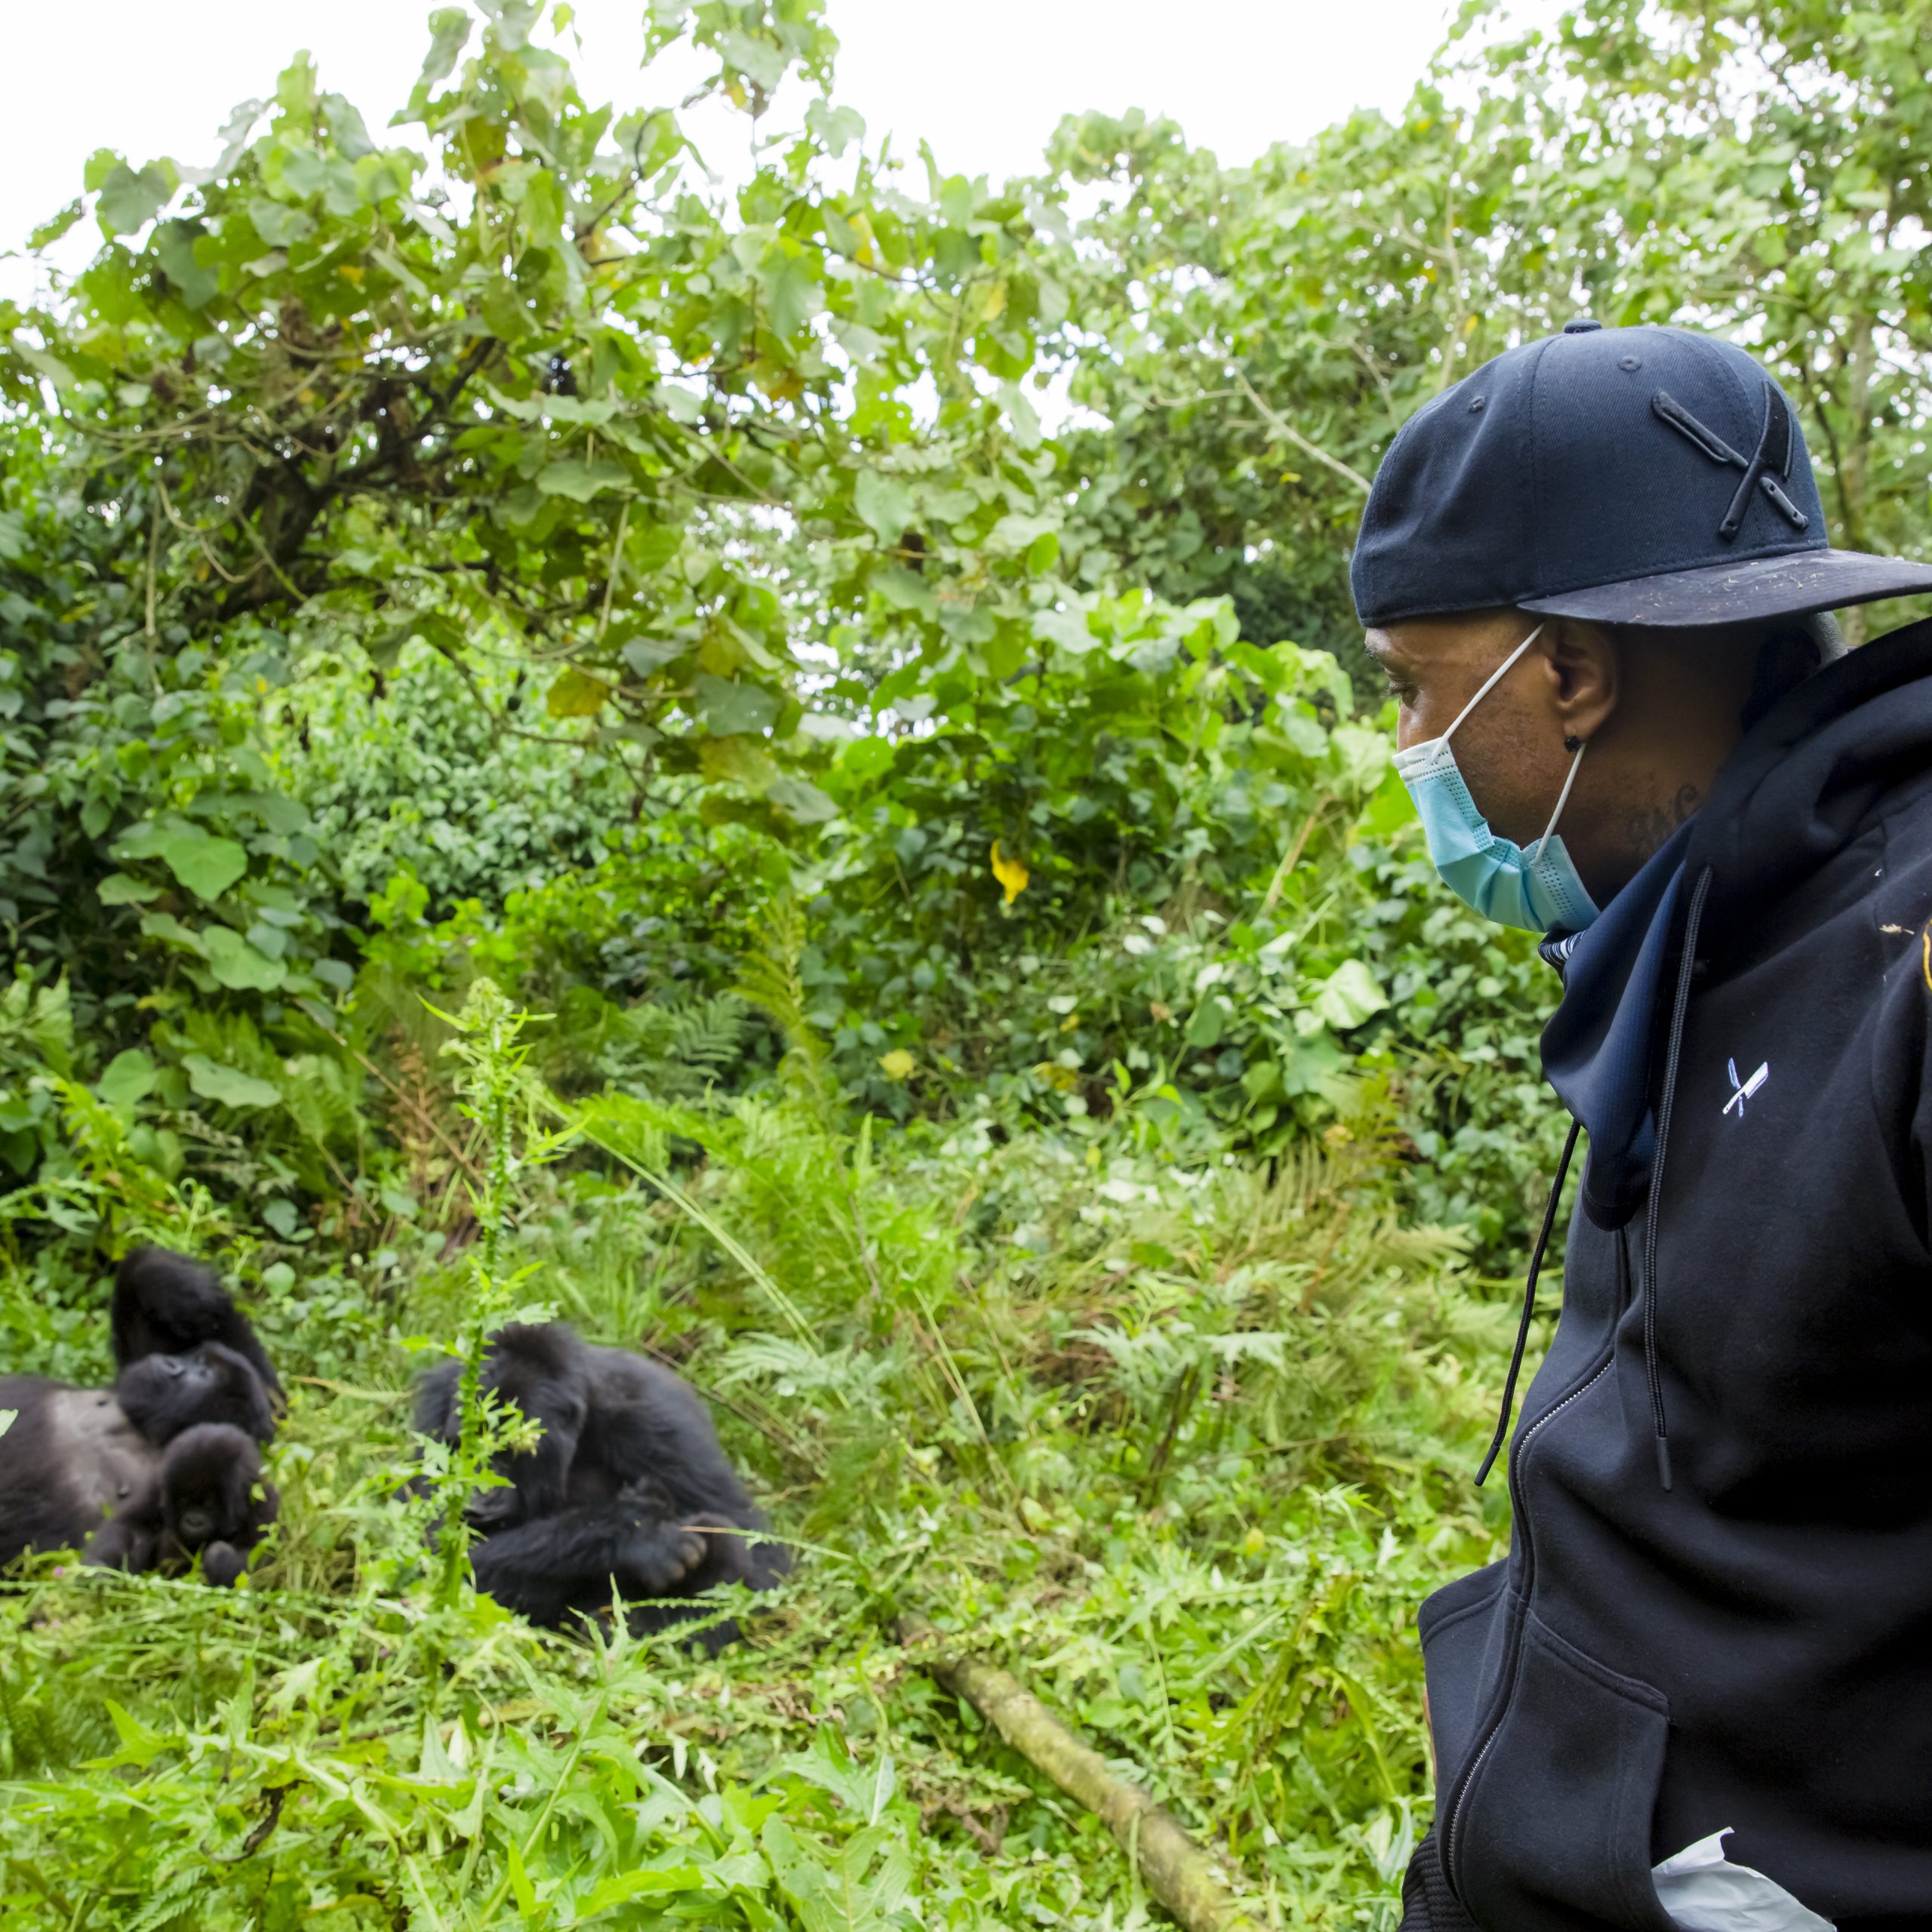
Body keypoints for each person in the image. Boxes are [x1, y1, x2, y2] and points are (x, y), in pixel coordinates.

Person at [1351, 320, 1932, 1932]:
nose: (1408, 752)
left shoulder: (1905, 954)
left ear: (1570, 671)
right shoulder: (1690, 926)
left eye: (1416, 689)